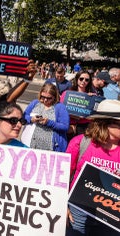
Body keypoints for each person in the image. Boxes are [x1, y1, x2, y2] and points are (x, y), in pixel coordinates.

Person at [66, 99, 120, 236]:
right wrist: (63, 206)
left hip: (111, 218)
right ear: (105, 124)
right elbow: (64, 177)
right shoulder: (80, 143)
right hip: (77, 213)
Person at [24, 83, 70, 152]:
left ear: (54, 97)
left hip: (51, 149)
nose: (45, 100)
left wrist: (49, 123)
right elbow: (24, 116)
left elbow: (65, 126)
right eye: (43, 97)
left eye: (49, 98)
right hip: (30, 146)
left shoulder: (60, 107)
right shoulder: (35, 103)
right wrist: (31, 119)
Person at [61, 70, 94, 138]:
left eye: (86, 80)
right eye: (81, 79)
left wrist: (92, 99)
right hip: (68, 125)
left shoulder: (92, 95)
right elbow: (61, 109)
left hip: (84, 128)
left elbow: (93, 115)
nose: (83, 81)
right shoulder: (67, 93)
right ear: (77, 79)